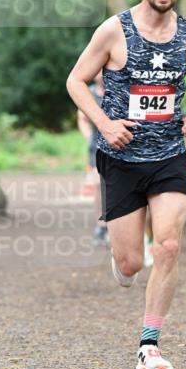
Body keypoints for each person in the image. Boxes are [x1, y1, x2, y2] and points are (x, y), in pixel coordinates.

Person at [66, 0, 186, 369]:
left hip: (169, 156)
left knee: (168, 245)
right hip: (121, 159)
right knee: (131, 263)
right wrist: (104, 124)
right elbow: (76, 81)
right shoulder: (114, 31)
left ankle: (149, 346)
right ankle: (122, 258)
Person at [76, 71, 108, 245]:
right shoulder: (89, 93)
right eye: (98, 72)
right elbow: (82, 118)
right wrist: (89, 136)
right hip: (97, 145)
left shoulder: (120, 88)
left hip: (122, 142)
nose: (102, 75)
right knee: (98, 184)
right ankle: (102, 226)